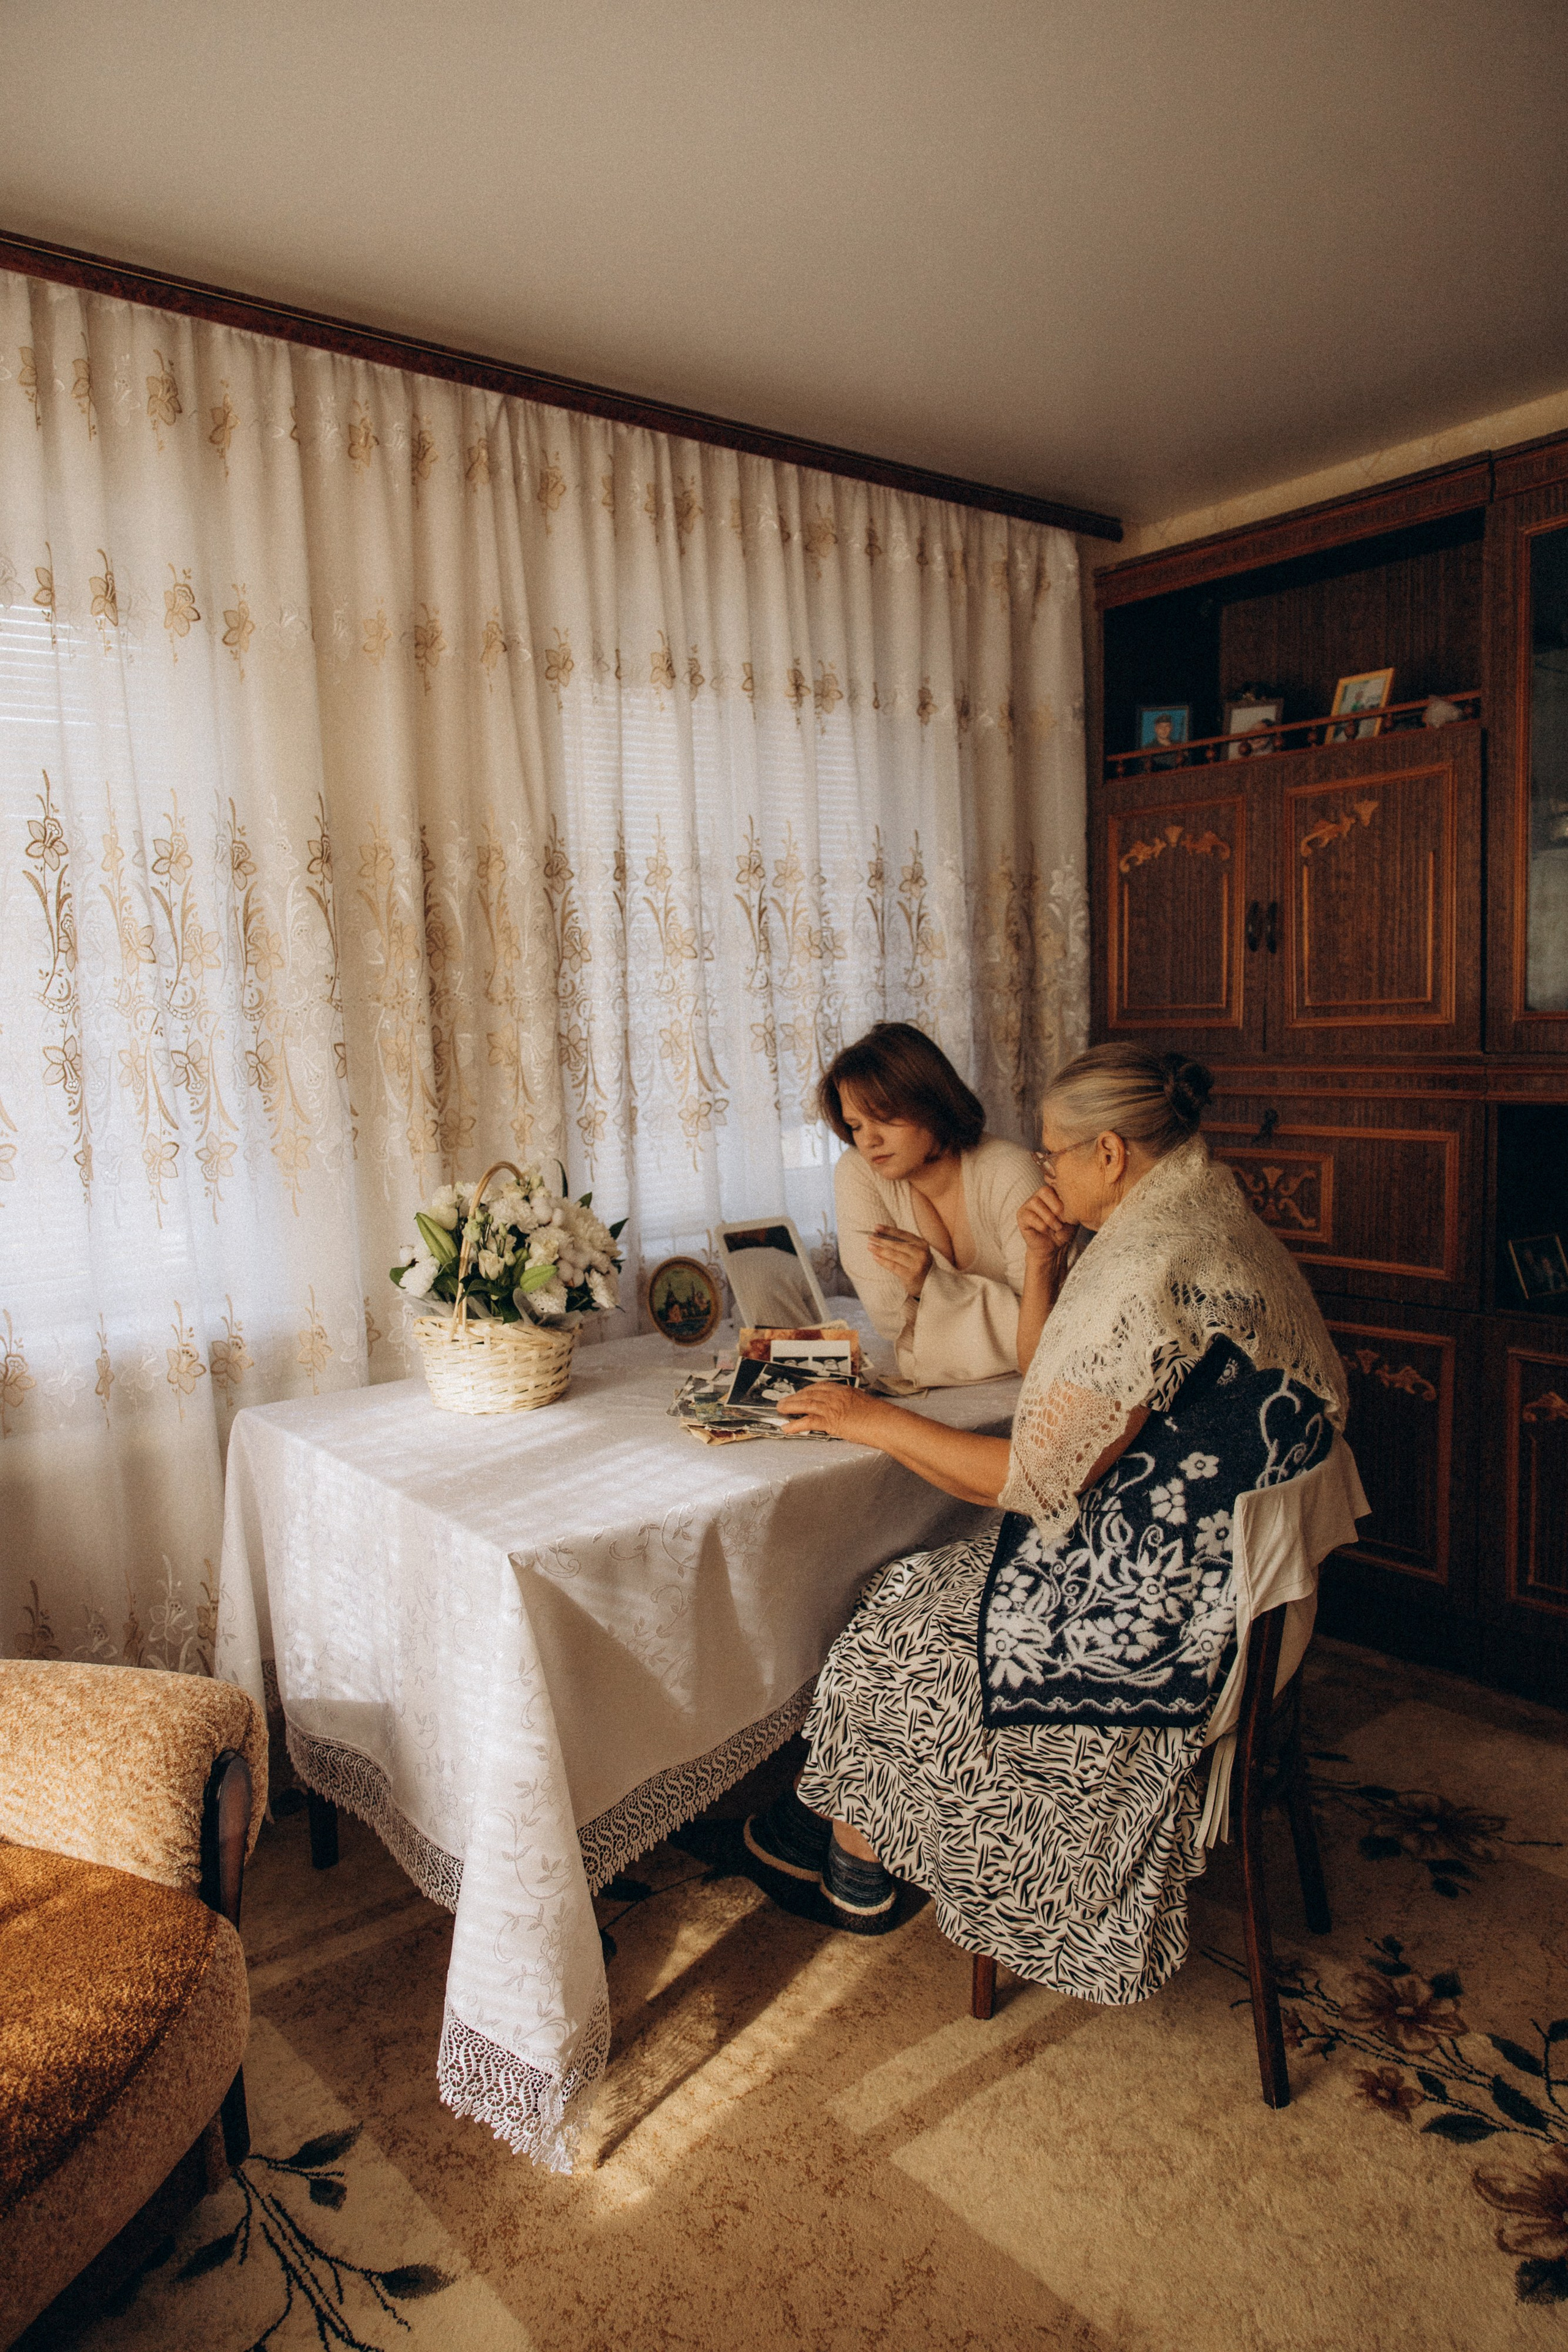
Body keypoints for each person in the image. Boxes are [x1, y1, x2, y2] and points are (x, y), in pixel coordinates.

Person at [744, 1042, 1350, 1999]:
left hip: (1175, 1613)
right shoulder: (1203, 1206)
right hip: (1234, 1563)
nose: (1048, 1167)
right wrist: (1041, 1256)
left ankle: (857, 1867)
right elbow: (1052, 1382)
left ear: (1111, 1154)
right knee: (923, 1583)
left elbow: (1028, 1478)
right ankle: (836, 1827)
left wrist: (870, 1419)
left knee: (891, 1615)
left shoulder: (1145, 1264)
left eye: (1060, 1151)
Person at [821, 1023, 1042, 1385]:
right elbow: (891, 1320)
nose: (870, 1140)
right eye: (856, 1125)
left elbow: (1047, 1330)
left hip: (1041, 1387)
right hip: (955, 1389)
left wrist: (927, 1286)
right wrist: (997, 1317)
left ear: (932, 1102)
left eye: (885, 1118)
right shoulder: (859, 1173)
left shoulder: (1010, 1172)